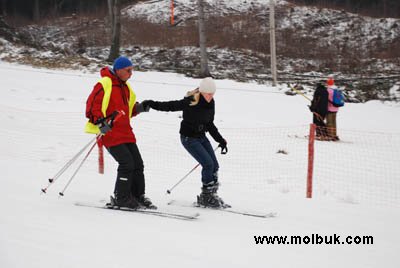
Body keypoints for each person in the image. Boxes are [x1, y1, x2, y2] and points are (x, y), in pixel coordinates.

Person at [142, 77, 228, 208]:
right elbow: (170, 106)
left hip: (201, 137)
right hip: (189, 138)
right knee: (208, 164)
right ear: (202, 91)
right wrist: (152, 104)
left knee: (215, 165)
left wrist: (220, 140)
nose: (210, 96)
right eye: (208, 94)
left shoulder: (211, 104)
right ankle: (206, 196)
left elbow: (209, 124)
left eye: (212, 94)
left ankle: (212, 195)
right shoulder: (192, 100)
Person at [85, 56, 156, 209]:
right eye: (128, 70)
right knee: (127, 163)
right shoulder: (105, 84)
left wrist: (140, 108)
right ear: (118, 70)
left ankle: (137, 195)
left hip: (126, 132)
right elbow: (92, 107)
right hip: (109, 132)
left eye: (132, 70)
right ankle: (122, 197)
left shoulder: (126, 87)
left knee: (138, 164)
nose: (131, 74)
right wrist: (100, 121)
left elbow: (128, 110)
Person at [326, 76, 340, 141]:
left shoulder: (328, 90)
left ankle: (330, 135)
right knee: (334, 122)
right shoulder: (336, 89)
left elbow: (326, 99)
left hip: (329, 108)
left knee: (329, 122)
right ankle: (334, 134)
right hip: (336, 108)